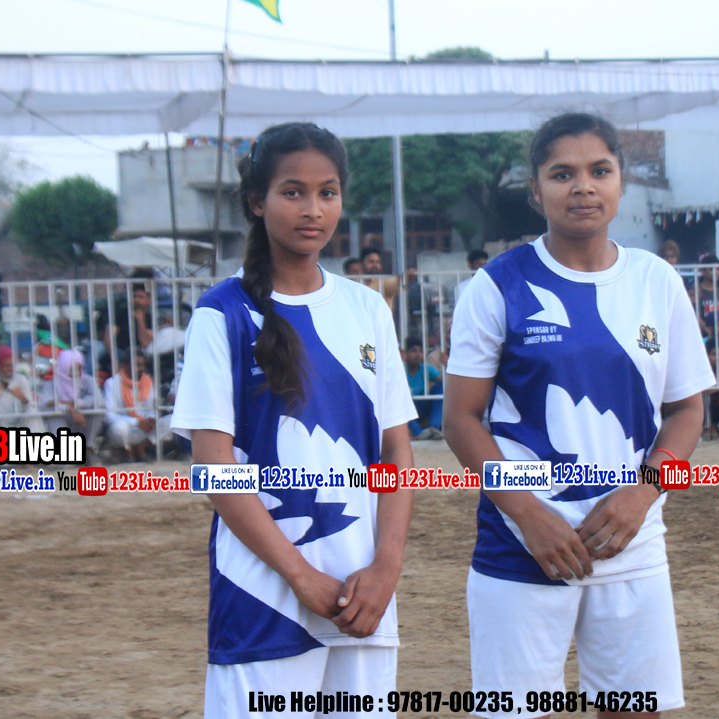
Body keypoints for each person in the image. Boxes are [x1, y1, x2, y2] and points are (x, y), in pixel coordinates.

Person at [443, 113, 712, 715]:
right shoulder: (496, 285)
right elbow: (460, 420)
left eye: (600, 171)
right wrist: (528, 515)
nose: (583, 187)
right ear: (535, 189)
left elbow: (687, 409)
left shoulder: (656, 281)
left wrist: (643, 494)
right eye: (562, 174)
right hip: (523, 548)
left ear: (621, 183)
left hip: (631, 545)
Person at [168, 122, 417, 717]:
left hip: (362, 594)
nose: (313, 209)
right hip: (265, 594)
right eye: (293, 192)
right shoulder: (221, 314)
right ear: (257, 202)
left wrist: (386, 567)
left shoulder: (367, 309)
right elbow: (214, 467)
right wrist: (300, 575)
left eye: (328, 192)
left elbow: (396, 455)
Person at [103, 350, 169, 461]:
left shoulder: (148, 382)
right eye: (137, 365)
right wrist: (136, 422)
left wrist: (151, 419)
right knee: (119, 427)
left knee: (171, 421)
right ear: (125, 365)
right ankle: (127, 451)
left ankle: (141, 447)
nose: (141, 368)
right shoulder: (112, 383)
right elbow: (108, 416)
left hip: (144, 430)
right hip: (124, 430)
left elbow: (152, 408)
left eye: (143, 365)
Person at [48, 349, 105, 462]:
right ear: (63, 367)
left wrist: (77, 403)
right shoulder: (52, 383)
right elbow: (48, 404)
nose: (77, 373)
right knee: (54, 416)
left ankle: (88, 448)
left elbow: (98, 400)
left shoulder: (87, 380)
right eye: (72, 369)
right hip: (63, 422)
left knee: (99, 410)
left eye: (79, 369)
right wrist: (69, 409)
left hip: (83, 421)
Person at [402, 337, 443, 440]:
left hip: (421, 406)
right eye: (413, 351)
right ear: (405, 353)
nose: (418, 355)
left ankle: (433, 427)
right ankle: (418, 432)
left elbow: (441, 382)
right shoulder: (400, 369)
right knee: (399, 400)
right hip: (406, 407)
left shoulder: (424, 368)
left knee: (441, 386)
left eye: (420, 351)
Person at [685, 253, 719, 336]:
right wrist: (706, 329)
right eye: (711, 269)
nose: (716, 272)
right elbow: (693, 314)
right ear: (703, 271)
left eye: (718, 269)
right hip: (700, 335)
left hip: (718, 335)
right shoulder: (695, 291)